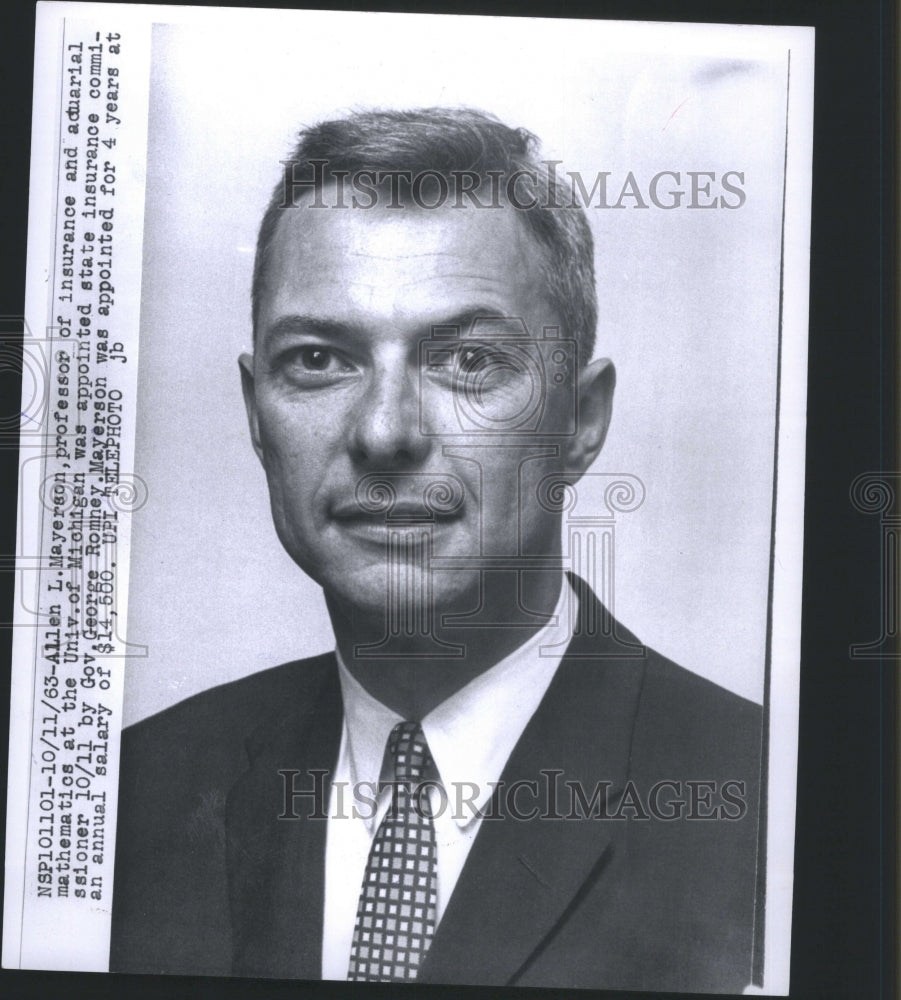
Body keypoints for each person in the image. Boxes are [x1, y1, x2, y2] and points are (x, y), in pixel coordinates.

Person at [110, 107, 762, 993]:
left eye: (465, 360)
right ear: (254, 410)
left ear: (580, 422)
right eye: (317, 359)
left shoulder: (770, 805)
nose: (384, 432)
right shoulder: (131, 793)